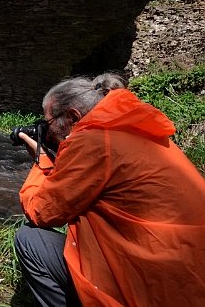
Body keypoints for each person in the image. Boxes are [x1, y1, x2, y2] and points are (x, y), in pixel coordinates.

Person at [13, 73, 205, 307]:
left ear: (73, 116)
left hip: (152, 286)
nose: (48, 132)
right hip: (189, 276)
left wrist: (42, 160)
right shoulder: (136, 128)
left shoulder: (93, 142)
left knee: (30, 239)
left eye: (48, 123)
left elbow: (41, 212)